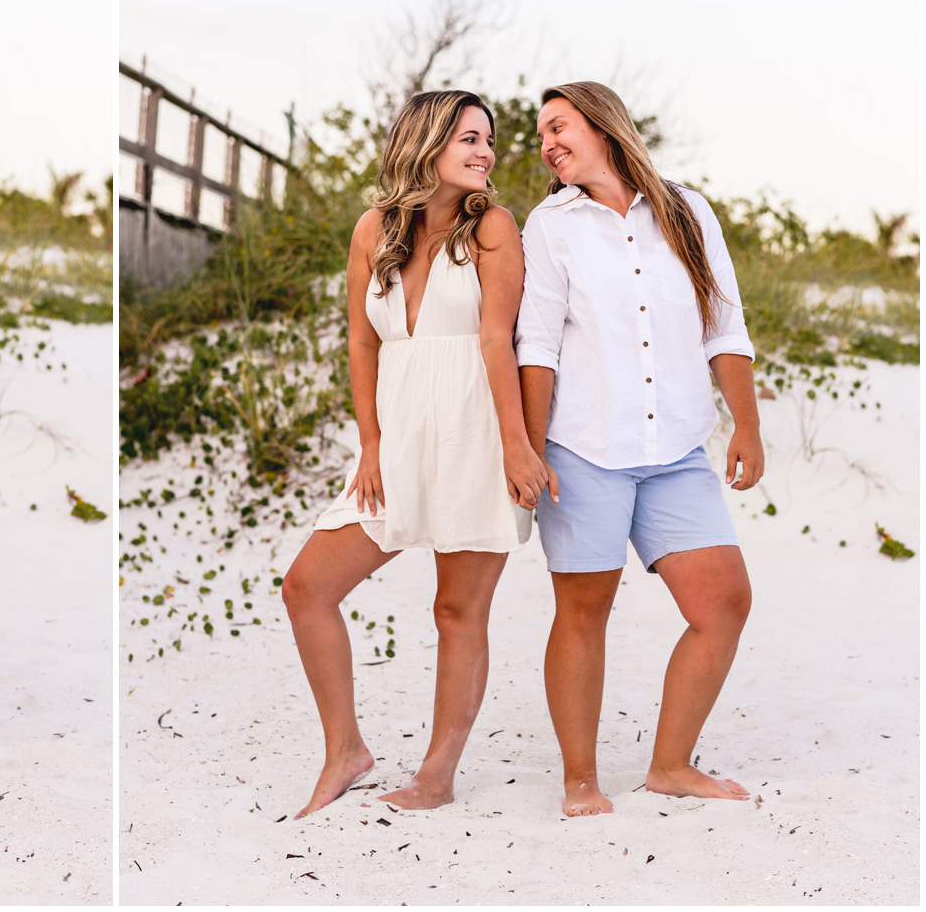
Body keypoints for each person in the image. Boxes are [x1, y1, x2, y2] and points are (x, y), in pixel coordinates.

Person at [281, 90, 550, 818]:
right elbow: (362, 340)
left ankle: (437, 773)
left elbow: (501, 340)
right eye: (469, 138)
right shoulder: (374, 228)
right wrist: (368, 444)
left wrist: (516, 448)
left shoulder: (493, 226)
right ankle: (347, 751)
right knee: (307, 587)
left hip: (476, 432)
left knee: (457, 610)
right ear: (426, 142)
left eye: (488, 140)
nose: (486, 152)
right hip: (395, 440)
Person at [515, 80, 762, 817]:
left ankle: (670, 765)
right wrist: (531, 450)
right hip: (584, 448)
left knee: (724, 602)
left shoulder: (687, 209)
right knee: (585, 613)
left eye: (559, 127)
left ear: (603, 125)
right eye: (541, 136)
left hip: (678, 447)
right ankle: (580, 779)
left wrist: (746, 423)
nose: (549, 143)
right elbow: (538, 344)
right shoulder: (550, 224)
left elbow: (724, 323)